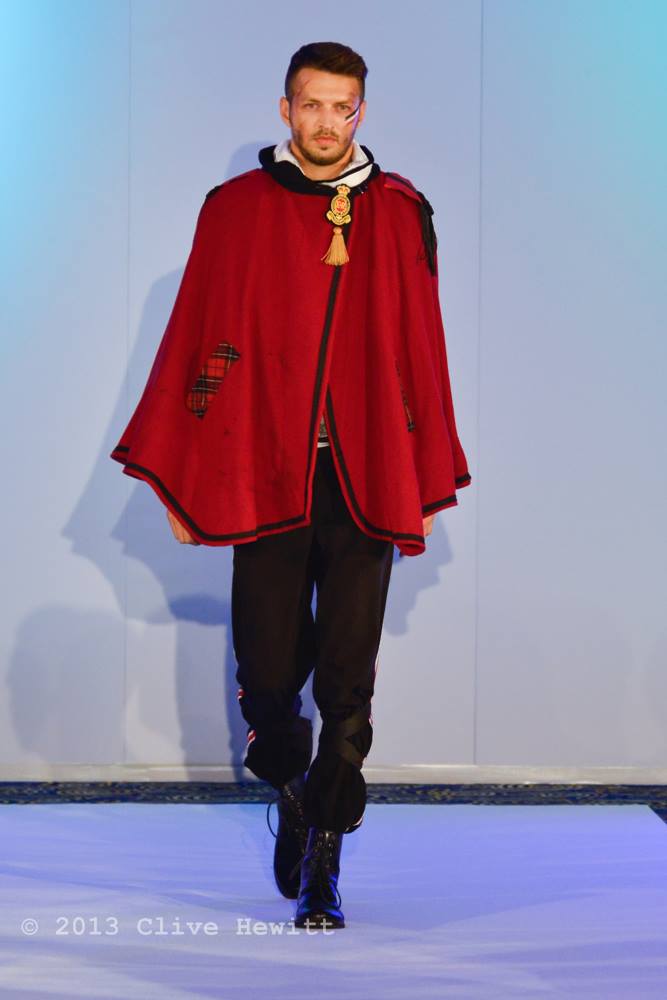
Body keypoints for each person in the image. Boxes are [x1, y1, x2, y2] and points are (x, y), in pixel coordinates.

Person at [110, 40, 471, 931]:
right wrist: (185, 472)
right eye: (311, 105)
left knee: (347, 678)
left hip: (363, 477)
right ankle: (294, 792)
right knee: (268, 672)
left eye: (342, 107)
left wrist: (424, 470)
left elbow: (419, 345)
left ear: (360, 113)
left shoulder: (399, 209)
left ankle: (323, 862)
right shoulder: (236, 209)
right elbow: (202, 336)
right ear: (285, 110)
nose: (326, 123)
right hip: (266, 471)